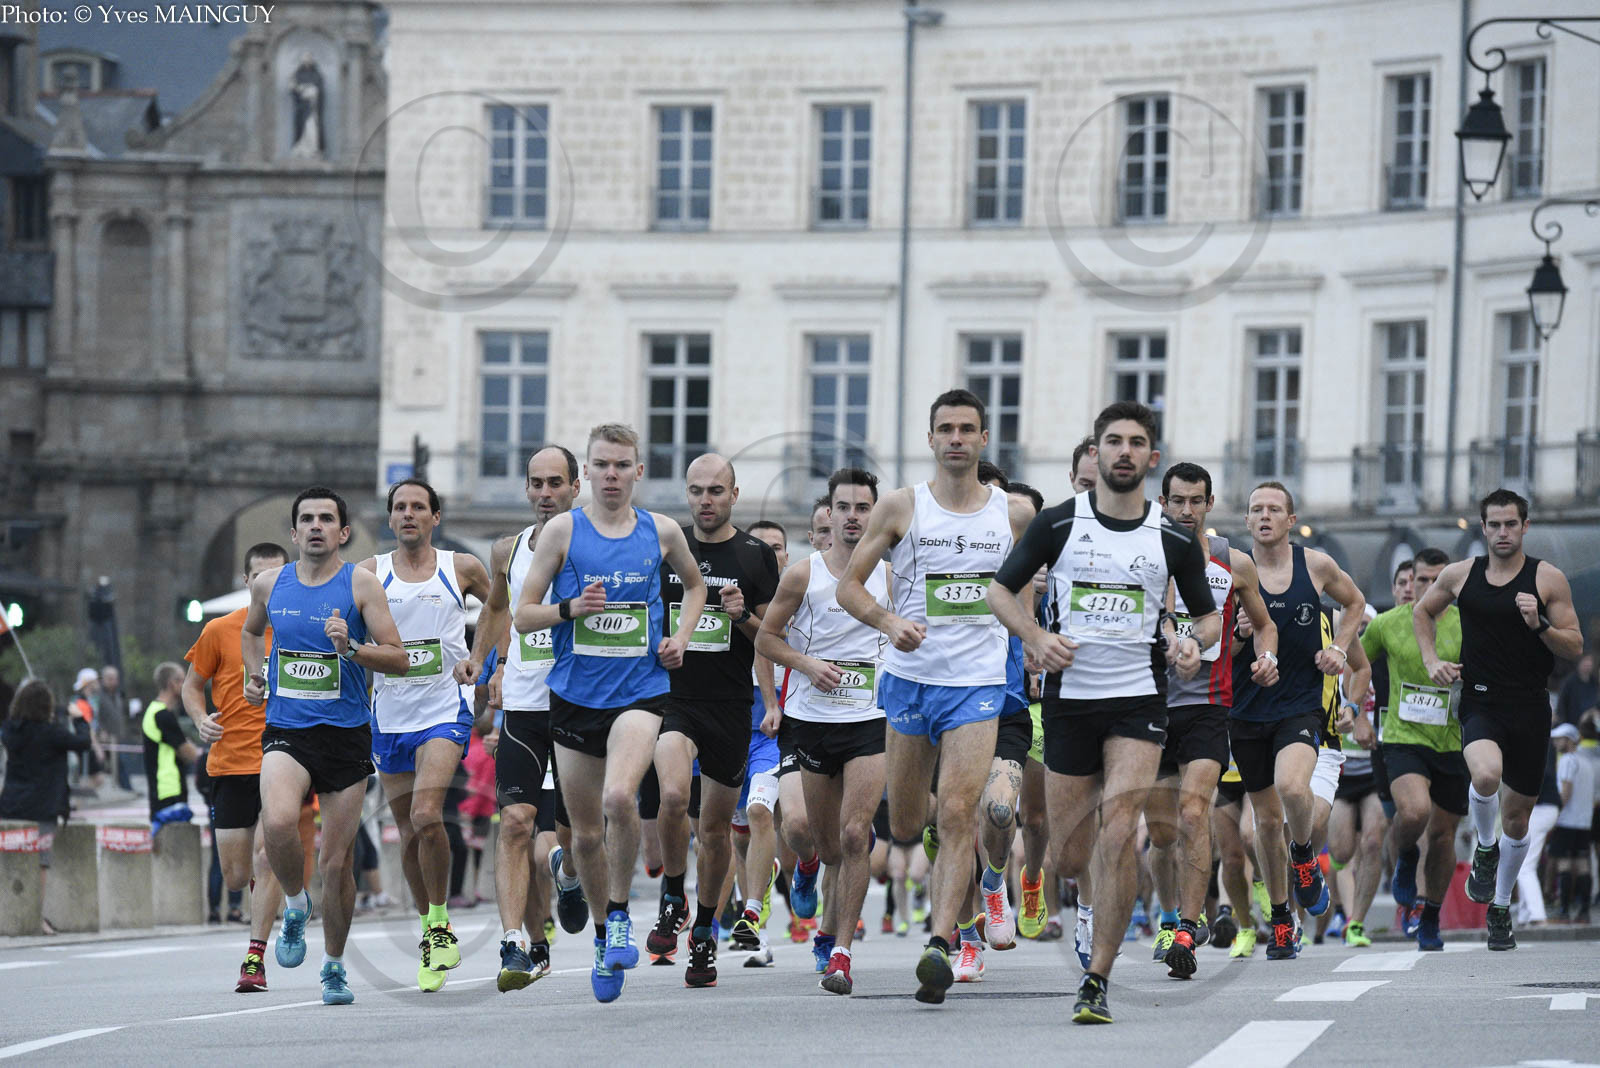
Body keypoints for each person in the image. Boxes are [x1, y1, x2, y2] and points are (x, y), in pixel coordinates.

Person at [988, 401, 1223, 1024]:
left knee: (1119, 833)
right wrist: (1035, 637)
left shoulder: (1172, 538)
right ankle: (1078, 896)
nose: (1124, 451)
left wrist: (1190, 643)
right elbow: (998, 591)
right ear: (1097, 452)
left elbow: (1208, 618)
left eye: (1136, 442)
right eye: (1113, 441)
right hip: (1070, 702)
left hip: (1138, 701)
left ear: (1152, 456)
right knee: (1070, 857)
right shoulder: (1060, 524)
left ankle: (1096, 979)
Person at [836, 389, 1033, 1006]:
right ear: (930, 439)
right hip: (910, 678)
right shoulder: (902, 506)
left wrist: (1030, 640)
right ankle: (948, 878)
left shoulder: (1014, 514)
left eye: (967, 429)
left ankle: (943, 942)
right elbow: (849, 587)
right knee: (905, 822)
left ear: (983, 439)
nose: (956, 438)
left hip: (977, 683)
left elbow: (1029, 583)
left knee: (957, 812)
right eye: (945, 428)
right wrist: (889, 622)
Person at [512, 423, 706, 1004]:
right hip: (575, 696)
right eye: (602, 465)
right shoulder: (563, 532)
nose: (612, 475)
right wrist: (570, 608)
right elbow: (522, 615)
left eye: (623, 465)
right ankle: (602, 936)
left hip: (640, 692)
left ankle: (619, 914)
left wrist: (681, 637)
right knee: (584, 836)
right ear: (588, 473)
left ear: (639, 471)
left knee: (620, 798)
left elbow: (695, 588)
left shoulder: (661, 530)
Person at [242, 486, 411, 1006]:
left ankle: (334, 966)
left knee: (337, 865)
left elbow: (399, 657)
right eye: (308, 519)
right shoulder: (269, 584)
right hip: (287, 730)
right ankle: (296, 903)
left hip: (345, 735)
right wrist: (254, 674)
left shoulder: (361, 584)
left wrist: (352, 648)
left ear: (343, 532)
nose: (316, 526)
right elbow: (251, 633)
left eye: (326, 519)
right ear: (294, 533)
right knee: (277, 824)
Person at [1415, 488, 1585, 951]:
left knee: (1518, 821)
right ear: (1483, 528)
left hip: (1530, 706)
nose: (1503, 532)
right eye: (1495, 524)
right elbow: (1422, 611)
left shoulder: (1547, 579)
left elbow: (1574, 644)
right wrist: (1431, 660)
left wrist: (1540, 624)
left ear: (1525, 527)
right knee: (1486, 775)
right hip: (1480, 701)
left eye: (1511, 524)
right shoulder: (1460, 575)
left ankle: (1501, 907)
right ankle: (1485, 849)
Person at [646, 452, 780, 988]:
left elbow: (772, 638)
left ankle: (703, 930)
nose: (706, 501)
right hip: (673, 700)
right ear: (687, 494)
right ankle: (672, 894)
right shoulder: (666, 548)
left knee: (716, 829)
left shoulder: (755, 556)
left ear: (734, 495)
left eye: (716, 491)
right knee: (673, 796)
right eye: (697, 490)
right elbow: (643, 619)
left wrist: (742, 615)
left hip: (730, 706)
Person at [757, 467, 890, 995]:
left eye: (864, 508)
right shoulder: (802, 576)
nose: (854, 517)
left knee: (856, 835)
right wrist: (807, 664)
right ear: (829, 515)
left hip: (871, 719)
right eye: (845, 508)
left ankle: (841, 952)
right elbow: (766, 640)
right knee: (827, 844)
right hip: (812, 721)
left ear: (875, 514)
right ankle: (815, 878)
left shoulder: (893, 575)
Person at [359, 478, 493, 992]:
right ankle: (431, 931)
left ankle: (439, 922)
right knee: (409, 832)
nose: (408, 514)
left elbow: (501, 609)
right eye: (400, 507)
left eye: (418, 507)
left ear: (436, 517)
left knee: (425, 814)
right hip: (390, 715)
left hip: (444, 709)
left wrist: (483, 661)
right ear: (390, 517)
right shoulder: (369, 573)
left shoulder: (461, 567)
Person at [1146, 461, 1279, 978]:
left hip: (1208, 704)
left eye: (1195, 501)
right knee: (1161, 834)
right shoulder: (1142, 554)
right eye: (1177, 500)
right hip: (1150, 704)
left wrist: (1265, 656)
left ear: (1209, 504)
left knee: (1193, 813)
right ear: (1162, 504)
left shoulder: (1233, 562)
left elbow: (1264, 626)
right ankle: (1168, 915)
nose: (1186, 510)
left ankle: (1187, 928)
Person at [1228, 481, 1366, 960]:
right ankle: (1282, 919)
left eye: (1274, 509)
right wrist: (1238, 636)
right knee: (1265, 825)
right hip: (1246, 710)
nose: (1264, 516)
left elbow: (1355, 603)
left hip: (1299, 707)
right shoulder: (1229, 571)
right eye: (1256, 509)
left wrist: (1340, 648)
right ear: (1246, 520)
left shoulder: (1316, 565)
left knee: (1291, 787)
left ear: (1291, 520)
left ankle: (1304, 854)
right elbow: (1215, 648)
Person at [478, 445, 586, 990]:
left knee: (570, 833)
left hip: (578, 703)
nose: (545, 493)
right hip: (523, 705)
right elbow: (498, 608)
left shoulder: (594, 544)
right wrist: (484, 660)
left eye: (555, 483)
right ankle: (514, 943)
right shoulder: (507, 548)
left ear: (575, 487)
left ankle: (569, 875)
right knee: (517, 823)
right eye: (536, 483)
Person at [184, 541, 291, 992]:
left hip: (283, 758)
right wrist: (200, 719)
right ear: (247, 581)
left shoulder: (298, 629)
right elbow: (192, 686)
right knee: (234, 876)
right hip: (228, 763)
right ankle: (279, 898)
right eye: (260, 576)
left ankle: (254, 957)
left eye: (277, 576)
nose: (268, 584)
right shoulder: (219, 630)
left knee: (267, 857)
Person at [1359, 548, 1465, 950]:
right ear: (1412, 581)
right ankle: (1404, 853)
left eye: (1439, 581)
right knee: (1415, 811)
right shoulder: (1387, 624)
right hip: (1403, 737)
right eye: (1422, 580)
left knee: (1442, 836)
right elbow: (1356, 664)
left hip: (1452, 740)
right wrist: (1358, 713)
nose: (1430, 587)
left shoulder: (1466, 624)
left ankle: (1431, 915)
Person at [729, 519, 790, 968]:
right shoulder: (724, 598)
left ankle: (761, 902)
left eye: (777, 547)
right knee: (738, 838)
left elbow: (776, 639)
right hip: (733, 725)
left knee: (762, 812)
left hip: (780, 728)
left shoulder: (801, 595)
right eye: (761, 547)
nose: (769, 554)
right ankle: (755, 927)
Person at [0, 680, 91, 935]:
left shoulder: (10, 730)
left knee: (9, 860)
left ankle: (8, 911)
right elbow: (83, 743)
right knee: (41, 861)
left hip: (11, 804)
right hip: (42, 806)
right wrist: (79, 719)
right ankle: (35, 917)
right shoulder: (51, 733)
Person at [144, 663, 199, 828]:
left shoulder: (153, 710)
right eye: (183, 680)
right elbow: (190, 753)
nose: (186, 685)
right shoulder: (162, 715)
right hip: (169, 790)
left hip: (162, 790)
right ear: (172, 683)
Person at [1550, 722, 1593, 923]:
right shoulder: (1586, 762)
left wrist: (1555, 814)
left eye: (1559, 739)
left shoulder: (1567, 760)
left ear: (1568, 741)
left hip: (1566, 820)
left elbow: (1566, 791)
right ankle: (1584, 911)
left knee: (1564, 864)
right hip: (1584, 821)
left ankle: (1564, 911)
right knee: (1583, 865)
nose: (1555, 743)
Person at [1557, 653, 1597, 728]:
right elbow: (1561, 704)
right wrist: (1564, 723)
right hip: (1571, 724)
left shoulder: (1594, 682)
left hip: (1590, 725)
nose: (1588, 664)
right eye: (1585, 660)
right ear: (1579, 663)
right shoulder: (1569, 682)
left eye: (1590, 661)